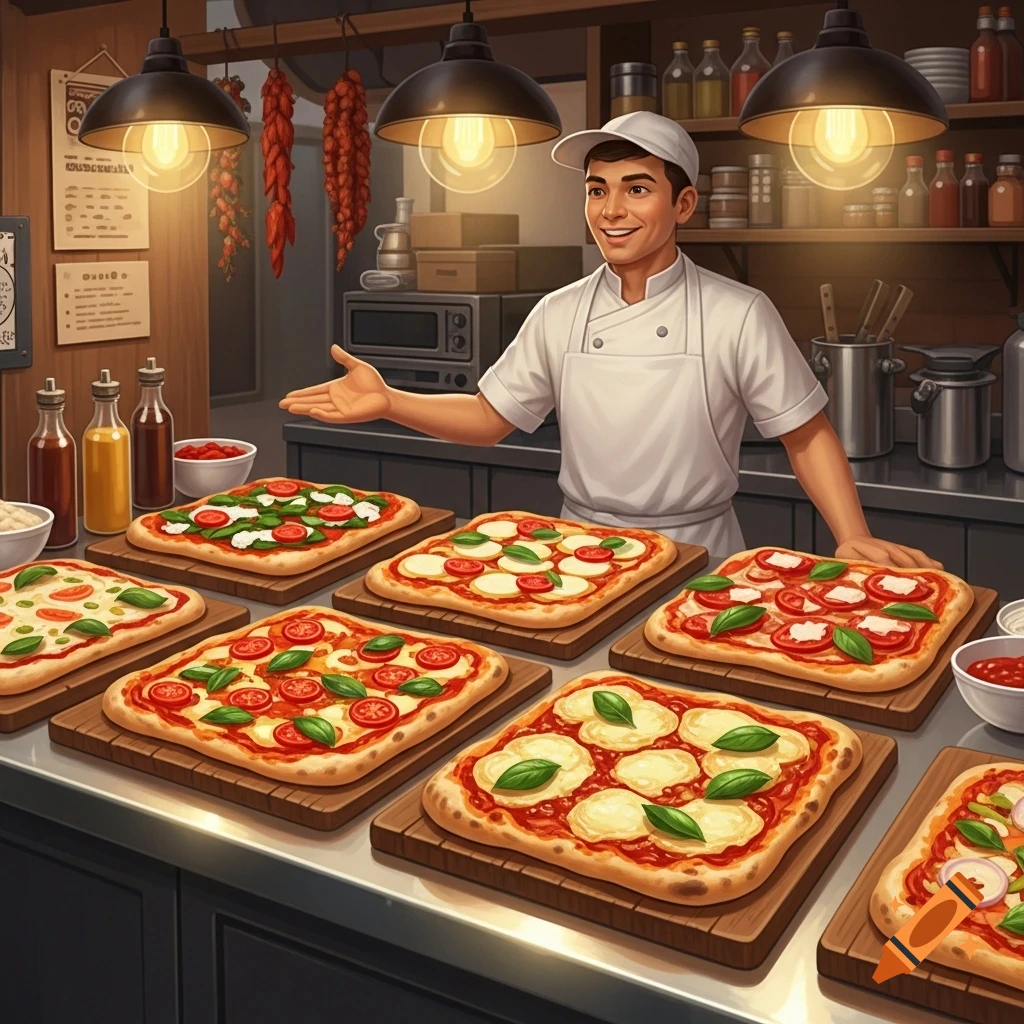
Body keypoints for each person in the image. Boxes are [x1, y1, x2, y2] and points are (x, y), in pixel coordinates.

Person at [281, 111, 939, 569]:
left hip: (699, 556)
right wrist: (390, 400)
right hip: (577, 554)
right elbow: (489, 418)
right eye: (597, 190)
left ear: (683, 206)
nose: (611, 211)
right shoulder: (559, 311)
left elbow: (807, 432)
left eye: (636, 189)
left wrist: (851, 536)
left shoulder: (739, 312)